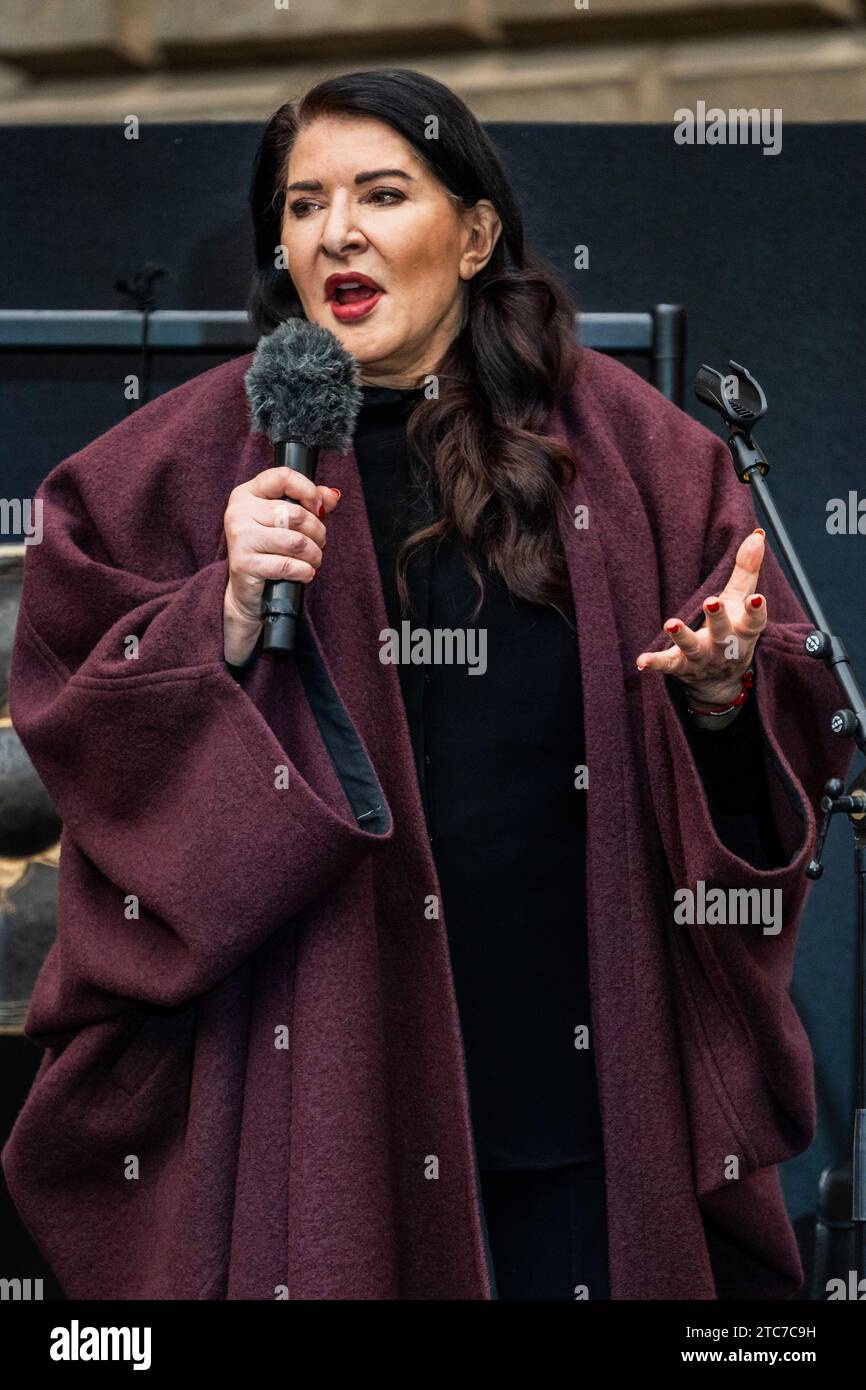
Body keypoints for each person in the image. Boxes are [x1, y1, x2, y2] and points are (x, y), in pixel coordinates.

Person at [2, 68, 852, 1301]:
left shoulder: (639, 455)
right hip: (316, 1083)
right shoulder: (174, 472)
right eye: (301, 206)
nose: (333, 231)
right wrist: (221, 613)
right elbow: (76, 727)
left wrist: (720, 702)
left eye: (380, 193)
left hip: (572, 1087)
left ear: (474, 233)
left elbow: (770, 741)